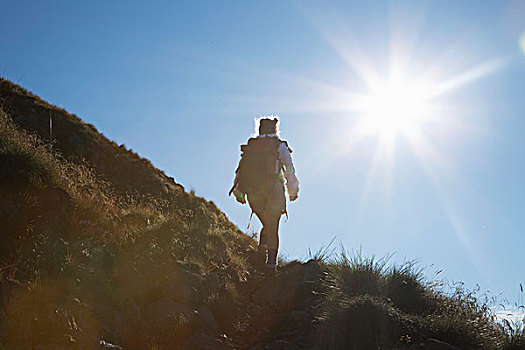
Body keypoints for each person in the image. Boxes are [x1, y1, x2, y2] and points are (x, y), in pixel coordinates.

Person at [230, 116, 299, 270]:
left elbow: (241, 170)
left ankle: (261, 250)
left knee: (267, 222)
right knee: (273, 226)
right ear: (275, 129)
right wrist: (293, 190)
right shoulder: (279, 146)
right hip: (274, 190)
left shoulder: (252, 147)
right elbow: (289, 169)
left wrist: (238, 192)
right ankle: (271, 266)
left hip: (253, 193)